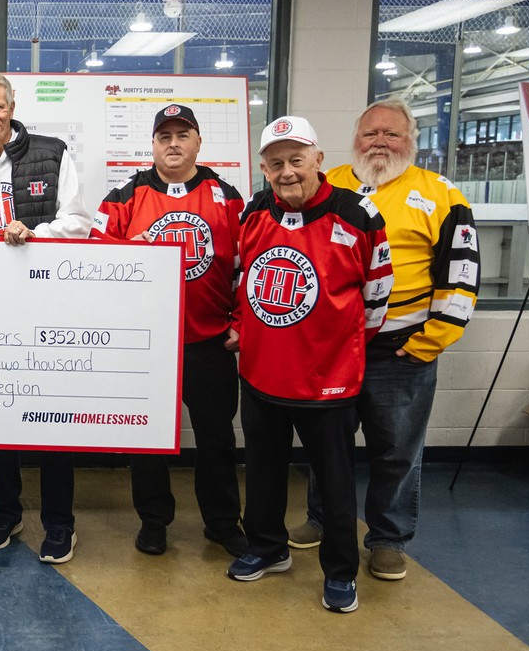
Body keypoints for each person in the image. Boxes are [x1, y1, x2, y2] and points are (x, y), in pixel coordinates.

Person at [288, 99, 479, 581]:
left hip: (402, 349)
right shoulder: (326, 184)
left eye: (391, 134)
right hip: (334, 348)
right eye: (370, 133)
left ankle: (388, 538)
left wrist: (429, 341)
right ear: (355, 139)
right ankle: (321, 518)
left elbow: (462, 275)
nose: (379, 142)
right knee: (325, 444)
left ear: (410, 141)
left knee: (396, 450)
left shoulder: (442, 195)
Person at [227, 115, 392, 615]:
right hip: (261, 374)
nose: (287, 172)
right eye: (275, 163)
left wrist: (337, 343)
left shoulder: (359, 214)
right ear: (263, 168)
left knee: (335, 481)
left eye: (297, 160)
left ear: (319, 159)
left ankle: (339, 572)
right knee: (262, 471)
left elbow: (378, 296)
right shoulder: (255, 211)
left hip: (330, 381)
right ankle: (266, 547)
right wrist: (242, 324)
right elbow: (241, 277)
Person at [90, 103, 246, 557]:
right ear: (153, 144)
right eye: (165, 136)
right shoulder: (123, 197)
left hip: (210, 341)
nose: (173, 143)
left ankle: (221, 521)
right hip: (150, 344)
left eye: (183, 134)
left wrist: (241, 324)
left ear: (198, 141)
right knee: (150, 438)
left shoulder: (228, 195)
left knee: (217, 439)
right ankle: (154, 520)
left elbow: (249, 265)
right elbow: (96, 265)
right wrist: (125, 252)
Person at [0, 71, 91, 564]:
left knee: (51, 419)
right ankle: (7, 512)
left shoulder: (51, 152)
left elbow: (78, 223)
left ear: (11, 107)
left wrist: (33, 232)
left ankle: (60, 523)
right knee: (0, 418)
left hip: (48, 305)